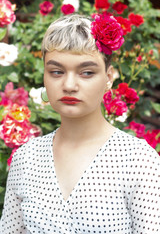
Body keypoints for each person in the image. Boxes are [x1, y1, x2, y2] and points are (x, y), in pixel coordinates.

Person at [0, 14, 160, 234]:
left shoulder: (138, 160)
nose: (69, 85)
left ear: (108, 77)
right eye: (56, 71)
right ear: (45, 76)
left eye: (86, 72)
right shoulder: (25, 159)